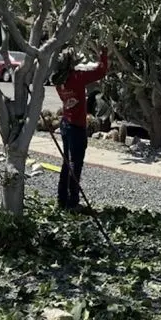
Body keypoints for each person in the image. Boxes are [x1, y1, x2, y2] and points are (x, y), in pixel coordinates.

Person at [52, 46, 108, 210]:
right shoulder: (76, 77)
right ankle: (72, 202)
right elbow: (101, 72)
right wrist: (103, 54)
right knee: (76, 164)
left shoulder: (59, 81)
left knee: (66, 163)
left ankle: (62, 199)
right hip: (76, 125)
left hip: (65, 124)